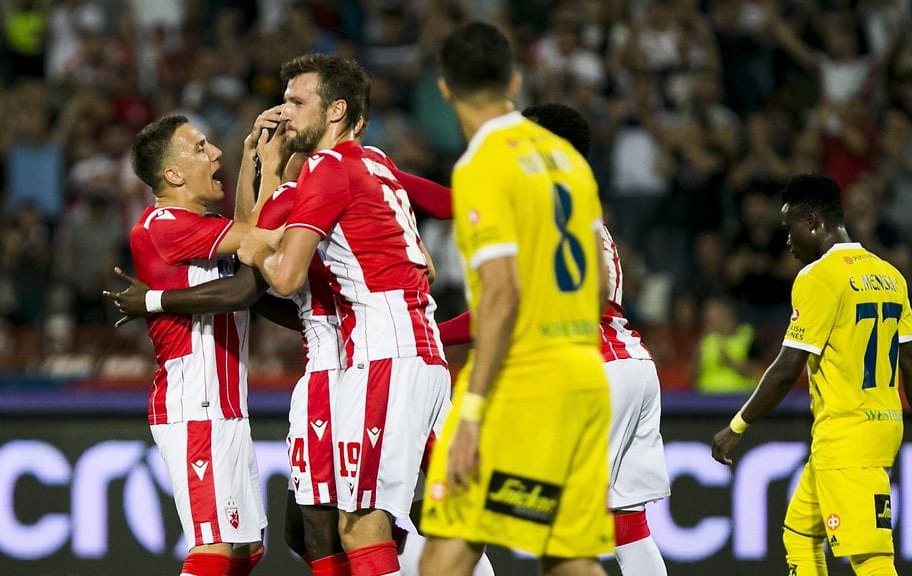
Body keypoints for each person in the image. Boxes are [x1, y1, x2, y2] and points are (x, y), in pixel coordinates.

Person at [426, 101, 672, 576]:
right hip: (634, 366)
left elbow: (508, 303)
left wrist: (434, 334)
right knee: (626, 522)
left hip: (592, 370)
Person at [238, 54, 450, 576]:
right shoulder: (371, 162)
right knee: (335, 523)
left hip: (379, 351)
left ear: (335, 111)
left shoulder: (330, 170)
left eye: (295, 101)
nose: (283, 113)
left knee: (360, 523)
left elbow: (280, 275)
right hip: (390, 347)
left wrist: (251, 246)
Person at [418, 22, 614, 576]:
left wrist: (475, 410)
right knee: (570, 559)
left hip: (522, 384)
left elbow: (502, 293)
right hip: (584, 379)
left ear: (445, 89)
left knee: (447, 549)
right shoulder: (569, 162)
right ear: (515, 79)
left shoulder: (483, 164)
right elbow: (600, 283)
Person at [711, 173, 912, 576]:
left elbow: (787, 369)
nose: (786, 242)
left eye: (789, 229)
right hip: (874, 428)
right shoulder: (890, 275)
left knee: (872, 560)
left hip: (847, 439)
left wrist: (736, 426)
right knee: (800, 535)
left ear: (811, 222)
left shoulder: (818, 277)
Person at [126, 115, 266, 576]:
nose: (215, 154)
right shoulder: (164, 223)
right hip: (194, 402)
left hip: (225, 406)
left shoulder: (205, 230)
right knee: (213, 550)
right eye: (201, 147)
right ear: (173, 175)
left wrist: (251, 160)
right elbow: (255, 249)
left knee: (245, 551)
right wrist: (278, 175)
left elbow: (249, 242)